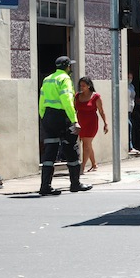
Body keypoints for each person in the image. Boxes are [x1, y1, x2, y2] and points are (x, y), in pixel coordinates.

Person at [38, 56, 91, 195]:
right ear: (67, 66)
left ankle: (45, 187)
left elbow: (42, 99)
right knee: (71, 148)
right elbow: (67, 100)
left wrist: (43, 116)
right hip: (61, 116)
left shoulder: (47, 79)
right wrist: (74, 120)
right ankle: (75, 184)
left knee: (50, 151)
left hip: (48, 117)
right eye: (70, 66)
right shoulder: (65, 79)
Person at [74, 76, 108, 173]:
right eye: (80, 86)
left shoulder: (95, 97)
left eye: (83, 86)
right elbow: (74, 109)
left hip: (91, 123)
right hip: (80, 123)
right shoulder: (77, 96)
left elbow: (101, 111)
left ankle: (82, 167)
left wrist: (105, 123)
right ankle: (94, 164)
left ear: (89, 86)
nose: (81, 88)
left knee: (86, 144)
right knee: (88, 144)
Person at [128, 72, 138, 154]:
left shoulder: (132, 86)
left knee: (131, 126)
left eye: (131, 77)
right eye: (128, 77)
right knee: (129, 126)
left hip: (130, 110)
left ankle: (131, 146)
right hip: (125, 110)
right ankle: (130, 147)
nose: (129, 79)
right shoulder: (124, 86)